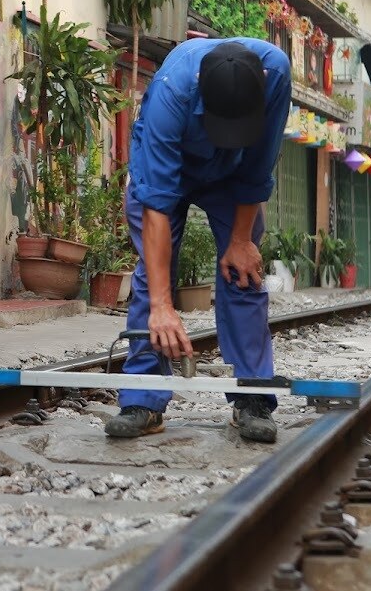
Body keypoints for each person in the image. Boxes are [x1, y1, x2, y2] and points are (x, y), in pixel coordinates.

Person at [104, 38, 291, 443]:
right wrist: (163, 306)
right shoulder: (171, 92)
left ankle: (253, 396)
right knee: (153, 279)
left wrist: (241, 239)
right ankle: (143, 399)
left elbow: (258, 167)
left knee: (243, 270)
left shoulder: (275, 74)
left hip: (233, 175)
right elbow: (156, 206)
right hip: (169, 164)